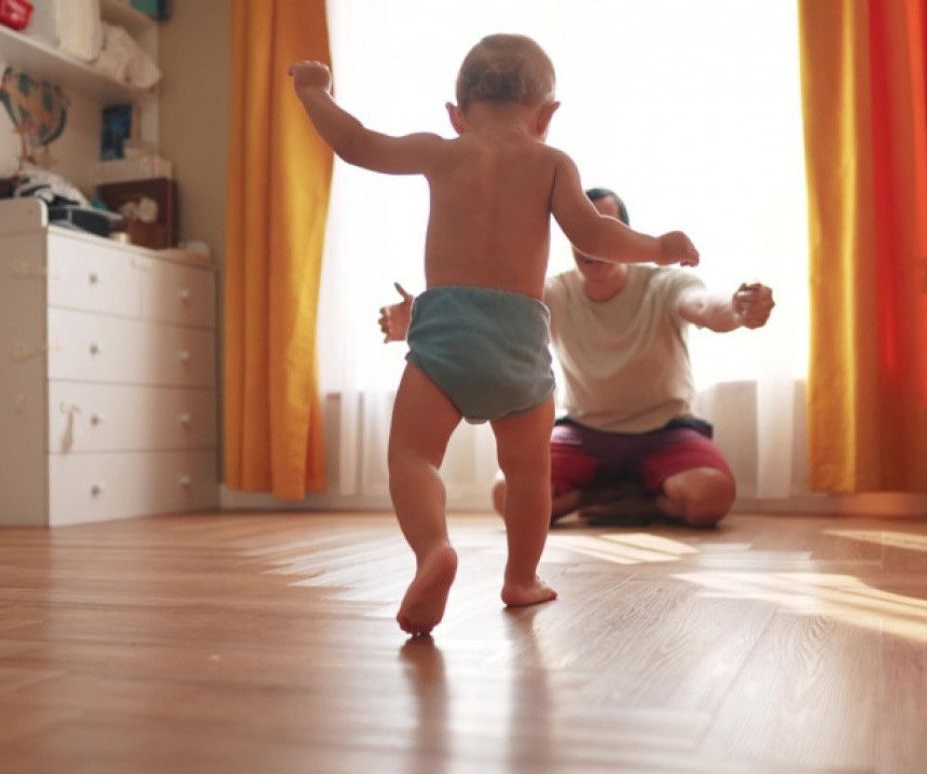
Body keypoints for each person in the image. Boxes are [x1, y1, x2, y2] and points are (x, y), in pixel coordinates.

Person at [290, 36, 699, 636]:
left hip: (445, 337)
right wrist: (659, 248)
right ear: (546, 115)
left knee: (412, 455)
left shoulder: (442, 151)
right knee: (529, 471)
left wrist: (314, 92)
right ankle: (521, 579)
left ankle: (434, 550)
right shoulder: (552, 161)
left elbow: (357, 145)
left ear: (455, 114)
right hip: (518, 342)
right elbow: (594, 235)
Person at [380, 188, 775, 529]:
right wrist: (421, 318)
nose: (593, 239)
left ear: (626, 235)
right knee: (506, 495)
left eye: (605, 228)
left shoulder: (665, 284)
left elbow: (706, 306)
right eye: (583, 230)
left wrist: (739, 310)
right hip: (584, 432)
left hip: (666, 428)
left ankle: (634, 495)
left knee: (711, 498)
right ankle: (608, 495)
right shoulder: (552, 292)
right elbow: (487, 321)